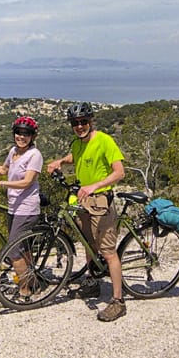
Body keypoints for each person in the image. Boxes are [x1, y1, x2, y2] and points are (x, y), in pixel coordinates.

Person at [46, 102, 127, 322]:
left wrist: (95, 186)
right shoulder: (77, 143)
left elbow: (120, 172)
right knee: (88, 243)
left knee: (108, 251)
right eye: (75, 123)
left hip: (101, 200)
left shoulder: (104, 140)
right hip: (83, 200)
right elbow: (75, 156)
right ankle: (93, 284)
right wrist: (60, 161)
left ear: (91, 122)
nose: (80, 126)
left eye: (83, 122)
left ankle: (118, 301)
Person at [0, 116, 44, 298]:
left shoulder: (35, 155)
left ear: (33, 136)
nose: (21, 136)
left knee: (13, 251)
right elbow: (3, 170)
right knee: (24, 247)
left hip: (27, 209)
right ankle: (34, 281)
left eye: (26, 134)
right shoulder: (13, 151)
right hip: (14, 206)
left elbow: (27, 182)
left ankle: (25, 290)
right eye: (18, 132)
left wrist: (0, 184)